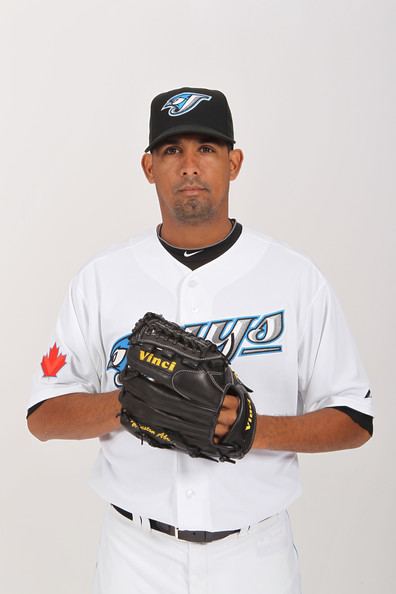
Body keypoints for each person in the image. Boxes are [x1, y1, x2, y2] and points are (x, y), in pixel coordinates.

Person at [27, 87, 374, 594]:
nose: (189, 165)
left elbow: (355, 419)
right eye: (172, 150)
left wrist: (254, 429)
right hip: (134, 556)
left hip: (256, 557)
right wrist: (131, 403)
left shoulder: (294, 277)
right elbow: (42, 417)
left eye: (206, 148)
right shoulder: (102, 278)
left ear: (234, 162)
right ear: (149, 167)